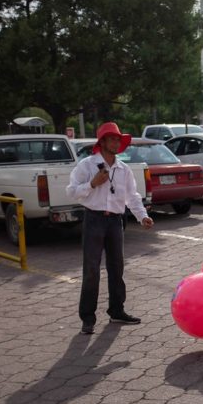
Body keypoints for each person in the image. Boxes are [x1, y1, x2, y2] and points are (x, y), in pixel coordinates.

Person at [66, 122, 154, 335]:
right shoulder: (87, 165)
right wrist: (93, 183)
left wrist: (142, 216)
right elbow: (71, 192)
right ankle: (88, 318)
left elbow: (132, 196)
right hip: (94, 219)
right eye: (112, 139)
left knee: (117, 268)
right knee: (91, 270)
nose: (116, 143)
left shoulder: (123, 169)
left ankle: (117, 310)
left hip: (115, 221)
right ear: (102, 142)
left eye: (118, 140)